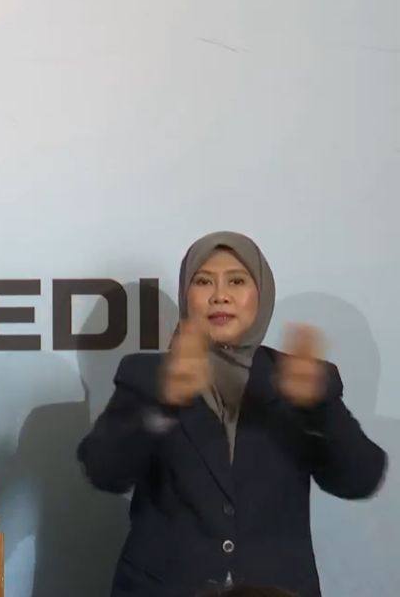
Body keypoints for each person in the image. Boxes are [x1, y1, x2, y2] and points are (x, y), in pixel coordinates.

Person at [77, 231, 386, 597]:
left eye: (236, 281)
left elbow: (360, 479)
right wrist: (164, 403)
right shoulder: (146, 374)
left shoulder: (302, 377)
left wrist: (317, 410)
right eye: (203, 281)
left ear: (262, 294)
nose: (220, 295)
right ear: (187, 295)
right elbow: (104, 471)